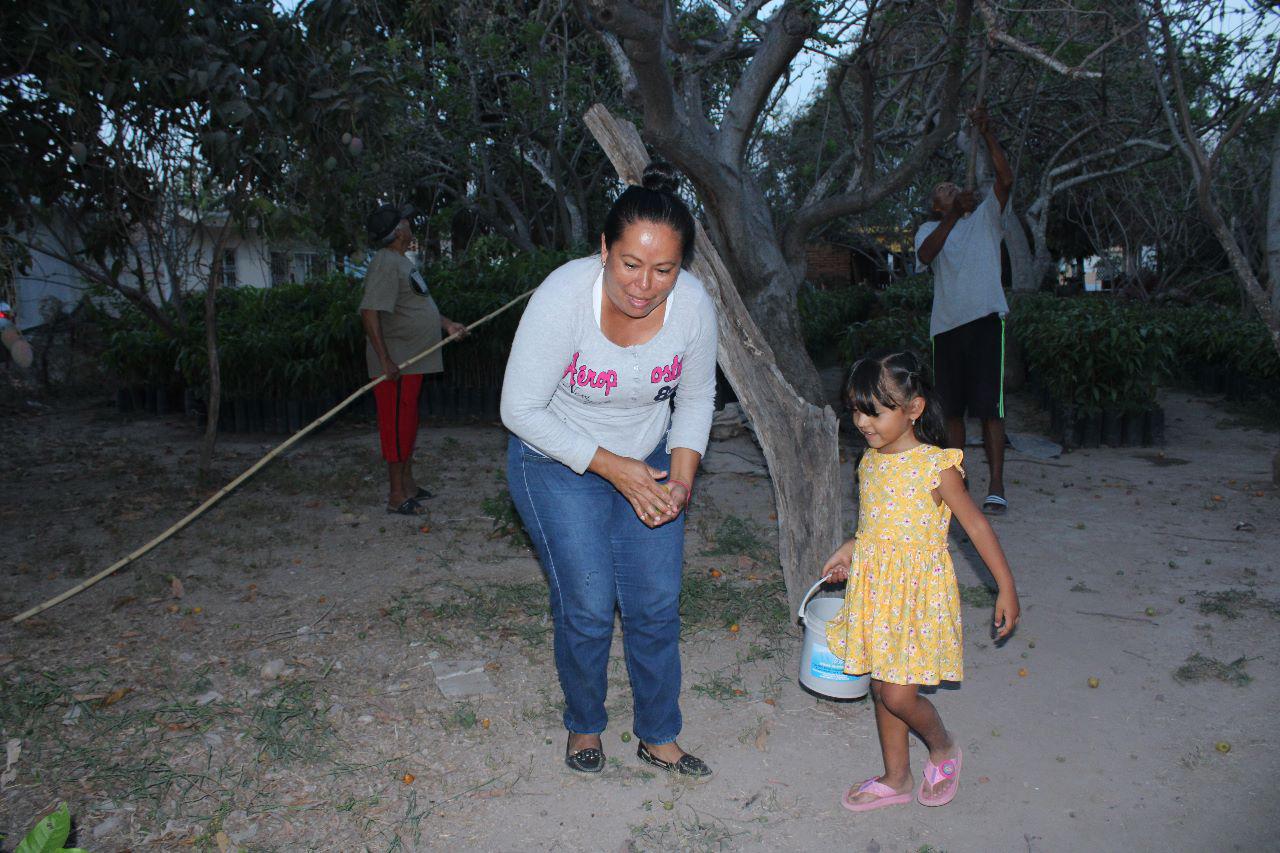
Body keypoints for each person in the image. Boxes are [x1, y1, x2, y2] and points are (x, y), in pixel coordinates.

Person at [501, 162, 718, 778]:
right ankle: (584, 725)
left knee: (655, 603)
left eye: (664, 269)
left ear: (683, 268)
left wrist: (679, 480)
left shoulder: (694, 309)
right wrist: (615, 469)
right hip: (555, 458)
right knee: (591, 602)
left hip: (646, 458)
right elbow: (518, 409)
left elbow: (697, 398)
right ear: (603, 249)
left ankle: (658, 735)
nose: (645, 285)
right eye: (630, 264)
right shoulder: (564, 298)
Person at [821, 350, 1019, 811]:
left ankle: (943, 745)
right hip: (878, 591)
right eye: (856, 409)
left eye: (874, 411)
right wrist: (853, 549)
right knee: (880, 687)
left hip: (916, 597)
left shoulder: (936, 466)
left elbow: (976, 526)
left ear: (913, 410)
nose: (863, 422)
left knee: (898, 693)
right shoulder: (870, 461)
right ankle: (896, 777)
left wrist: (1005, 586)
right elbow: (875, 524)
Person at [914, 106, 1015, 514]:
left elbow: (1005, 179)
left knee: (990, 408)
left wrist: (988, 133)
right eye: (943, 189)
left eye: (955, 184)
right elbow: (926, 253)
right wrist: (953, 216)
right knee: (952, 410)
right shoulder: (930, 229)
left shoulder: (988, 217)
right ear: (936, 207)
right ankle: (959, 480)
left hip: (987, 323)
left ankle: (996, 483)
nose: (951, 188)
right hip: (948, 330)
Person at [360, 205, 467, 515]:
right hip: (397, 364)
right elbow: (369, 313)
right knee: (395, 426)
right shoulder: (385, 262)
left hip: (413, 362)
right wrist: (385, 361)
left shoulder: (400, 262)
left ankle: (407, 485)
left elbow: (417, 307)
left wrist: (447, 324)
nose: (410, 223)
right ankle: (396, 495)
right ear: (398, 232)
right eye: (405, 221)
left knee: (406, 423)